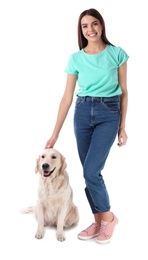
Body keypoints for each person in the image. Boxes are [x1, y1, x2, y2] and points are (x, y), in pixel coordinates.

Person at [45, 8, 129, 244]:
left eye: (94, 24)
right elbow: (66, 98)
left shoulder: (117, 54)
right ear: (80, 30)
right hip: (82, 113)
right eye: (85, 26)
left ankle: (109, 218)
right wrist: (54, 134)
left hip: (108, 114)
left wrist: (122, 127)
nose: (90, 29)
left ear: (101, 26)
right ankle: (98, 220)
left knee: (91, 171)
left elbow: (124, 92)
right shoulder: (76, 58)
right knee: (89, 173)